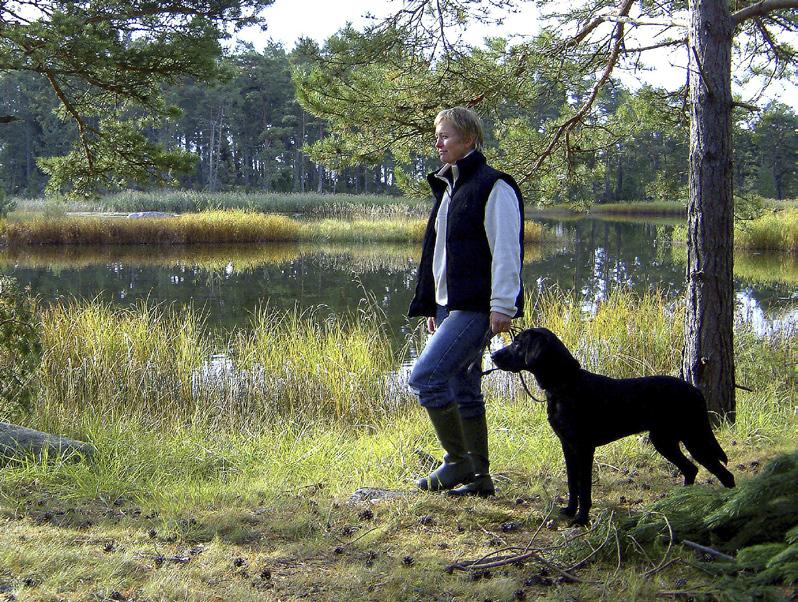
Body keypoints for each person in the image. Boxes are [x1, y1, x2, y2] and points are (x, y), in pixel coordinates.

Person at [407, 106, 524, 497]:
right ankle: (480, 479)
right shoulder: (450, 187)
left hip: (477, 306)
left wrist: (503, 305)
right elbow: (440, 252)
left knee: (425, 376)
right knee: (465, 389)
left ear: (469, 140)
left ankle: (457, 461)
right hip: (450, 305)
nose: (438, 143)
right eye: (437, 136)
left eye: (445, 136)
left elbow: (507, 251)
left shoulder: (494, 186)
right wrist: (434, 304)